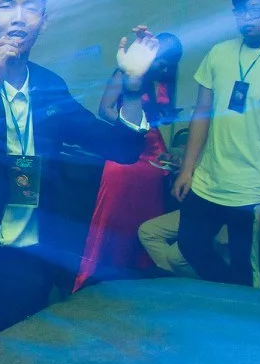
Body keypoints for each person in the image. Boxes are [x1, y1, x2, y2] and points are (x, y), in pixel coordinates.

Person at [0, 0, 154, 339]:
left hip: (34, 259)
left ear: (43, 20)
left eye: (31, 7)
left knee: (21, 362)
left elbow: (123, 149)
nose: (19, 18)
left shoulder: (51, 87)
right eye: (7, 6)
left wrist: (132, 86)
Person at [173, 0, 260, 288]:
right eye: (241, 12)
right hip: (208, 180)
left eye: (257, 10)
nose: (248, 18)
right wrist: (187, 170)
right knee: (189, 244)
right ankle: (225, 296)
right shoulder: (219, 53)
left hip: (252, 191)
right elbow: (201, 114)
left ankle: (238, 322)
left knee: (245, 271)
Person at [74, 33, 184, 291]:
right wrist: (132, 124)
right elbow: (105, 109)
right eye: (163, 62)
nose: (166, 68)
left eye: (172, 64)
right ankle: (99, 275)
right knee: (113, 220)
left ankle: (138, 276)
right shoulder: (126, 72)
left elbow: (161, 118)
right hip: (126, 156)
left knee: (146, 222)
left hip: (155, 159)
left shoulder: (164, 81)